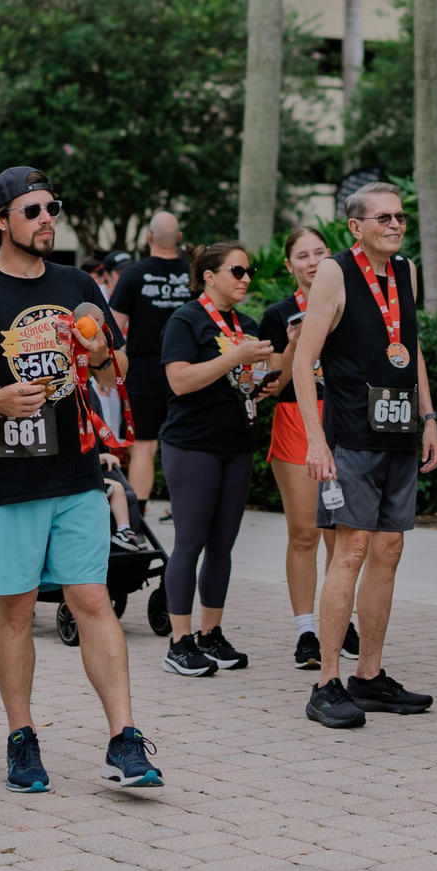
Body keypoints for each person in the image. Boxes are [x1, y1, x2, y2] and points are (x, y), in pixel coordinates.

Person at [0, 166, 163, 793]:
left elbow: (115, 372)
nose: (46, 220)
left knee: (92, 598)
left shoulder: (77, 283)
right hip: (6, 475)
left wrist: (98, 357)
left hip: (75, 471)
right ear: (0, 220)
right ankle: (22, 738)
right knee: (16, 608)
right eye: (31, 211)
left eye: (51, 208)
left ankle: (125, 739)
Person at [293, 183, 437, 729]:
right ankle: (326, 681)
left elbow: (412, 347)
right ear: (356, 226)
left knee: (390, 549)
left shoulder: (406, 270)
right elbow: (302, 362)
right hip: (352, 434)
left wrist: (428, 418)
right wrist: (315, 440)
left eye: (400, 216)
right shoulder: (334, 272)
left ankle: (370, 677)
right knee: (350, 550)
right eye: (383, 218)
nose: (396, 225)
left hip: (401, 431)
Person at [158, 240, 271, 676]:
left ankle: (211, 634)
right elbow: (181, 381)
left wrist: (264, 378)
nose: (245, 279)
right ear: (209, 276)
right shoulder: (185, 319)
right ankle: (179, 642)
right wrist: (236, 359)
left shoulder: (246, 324)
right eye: (237, 271)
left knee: (223, 545)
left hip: (236, 442)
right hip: (192, 443)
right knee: (190, 541)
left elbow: (249, 383)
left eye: (248, 272)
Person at [260, 227, 339, 667]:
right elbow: (272, 384)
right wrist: (294, 344)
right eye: (302, 256)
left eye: (319, 253)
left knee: (341, 534)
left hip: (346, 423)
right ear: (289, 265)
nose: (312, 262)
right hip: (296, 421)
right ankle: (306, 630)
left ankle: (338, 620)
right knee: (306, 532)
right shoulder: (279, 313)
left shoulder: (349, 301)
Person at [111, 211, 192, 511]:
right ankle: (185, 509)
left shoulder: (133, 274)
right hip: (187, 373)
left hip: (143, 374)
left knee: (143, 447)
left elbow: (114, 328)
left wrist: (109, 371)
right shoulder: (192, 274)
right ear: (179, 239)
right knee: (186, 445)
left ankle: (138, 513)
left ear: (149, 238)